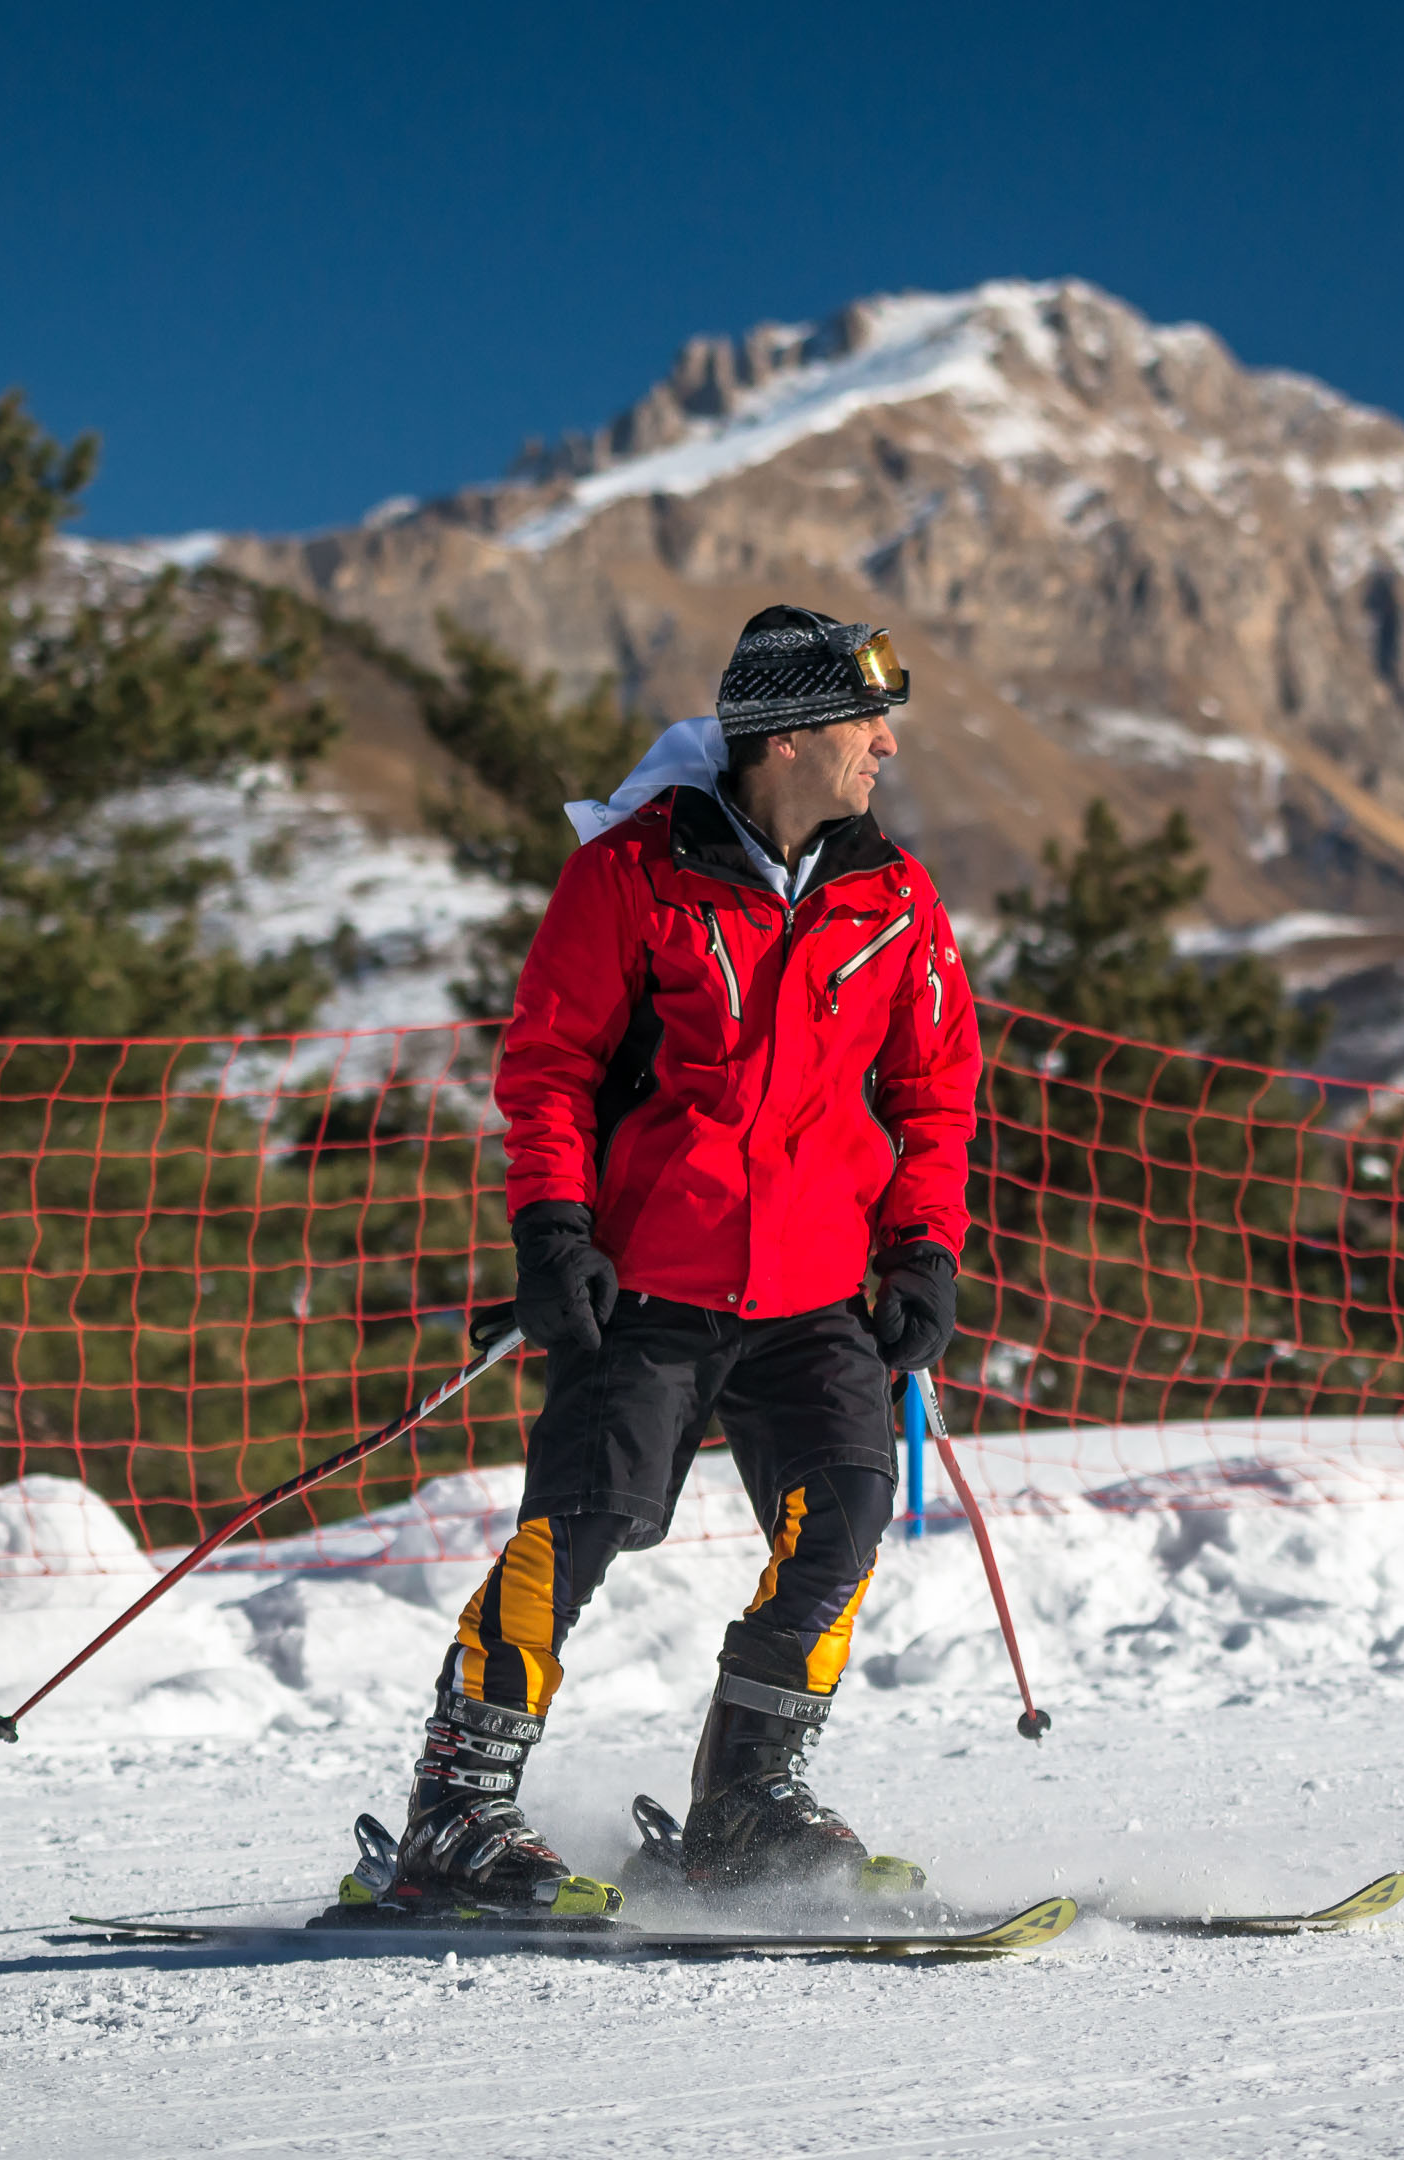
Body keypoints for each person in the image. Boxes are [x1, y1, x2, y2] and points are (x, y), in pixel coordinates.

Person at [379, 604, 980, 1912]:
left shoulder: (897, 899)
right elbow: (548, 1068)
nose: (886, 745)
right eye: (865, 722)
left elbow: (935, 1097)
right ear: (790, 736)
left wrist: (923, 1251)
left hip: (817, 1290)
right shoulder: (631, 878)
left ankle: (748, 1803)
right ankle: (456, 1814)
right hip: (649, 1282)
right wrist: (553, 1227)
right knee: (582, 1527)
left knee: (845, 1518)